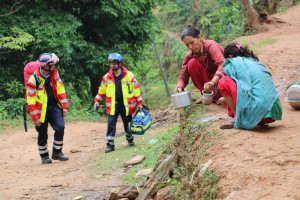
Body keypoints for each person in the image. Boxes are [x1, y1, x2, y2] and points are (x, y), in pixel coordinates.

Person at [204, 42, 282, 129]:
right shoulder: (255, 62)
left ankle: (238, 118)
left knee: (223, 81)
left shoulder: (232, 62)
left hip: (259, 112)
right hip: (272, 113)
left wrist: (225, 99)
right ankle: (254, 119)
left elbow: (242, 89)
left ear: (229, 57)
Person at [94, 53, 143, 153]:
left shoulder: (129, 75)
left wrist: (140, 103)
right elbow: (101, 91)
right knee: (111, 124)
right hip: (113, 104)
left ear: (120, 64)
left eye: (114, 63)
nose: (112, 65)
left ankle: (130, 139)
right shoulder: (106, 77)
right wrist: (97, 101)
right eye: (111, 63)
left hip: (126, 105)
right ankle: (110, 145)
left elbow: (136, 89)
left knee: (127, 123)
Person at [26, 53, 69, 164]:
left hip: (54, 107)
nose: (54, 66)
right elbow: (30, 100)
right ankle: (44, 156)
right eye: (52, 64)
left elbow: (61, 89)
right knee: (42, 133)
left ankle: (57, 152)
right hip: (41, 111)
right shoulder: (33, 79)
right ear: (45, 65)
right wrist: (35, 118)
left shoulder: (55, 74)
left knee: (60, 127)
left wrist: (64, 106)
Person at [175, 25, 225, 104]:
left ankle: (223, 95)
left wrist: (212, 82)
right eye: (187, 45)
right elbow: (183, 78)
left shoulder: (210, 45)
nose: (190, 47)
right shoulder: (189, 55)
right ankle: (206, 95)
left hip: (223, 78)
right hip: (209, 84)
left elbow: (223, 64)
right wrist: (179, 87)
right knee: (191, 64)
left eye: (192, 42)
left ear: (199, 37)